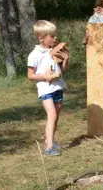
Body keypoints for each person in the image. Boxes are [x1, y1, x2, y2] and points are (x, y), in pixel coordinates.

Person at [27, 20, 69, 156]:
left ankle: (50, 139)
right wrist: (45, 77)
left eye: (54, 35)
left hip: (58, 87)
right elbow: (30, 75)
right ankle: (49, 147)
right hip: (45, 89)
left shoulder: (55, 51)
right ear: (41, 38)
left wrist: (66, 59)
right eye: (51, 36)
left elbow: (62, 70)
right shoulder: (35, 54)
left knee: (56, 116)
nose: (55, 38)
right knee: (52, 114)